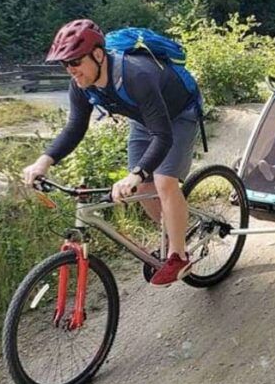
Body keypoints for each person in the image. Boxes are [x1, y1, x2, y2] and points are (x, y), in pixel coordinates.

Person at [23, 19, 201, 287]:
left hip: (179, 114)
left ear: (97, 55)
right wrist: (43, 161)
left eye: (75, 62)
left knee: (163, 181)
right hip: (145, 120)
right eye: (65, 64)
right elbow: (74, 128)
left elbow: (163, 136)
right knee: (141, 190)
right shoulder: (82, 84)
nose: (71, 70)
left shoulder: (136, 75)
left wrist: (137, 173)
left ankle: (179, 254)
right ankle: (174, 230)